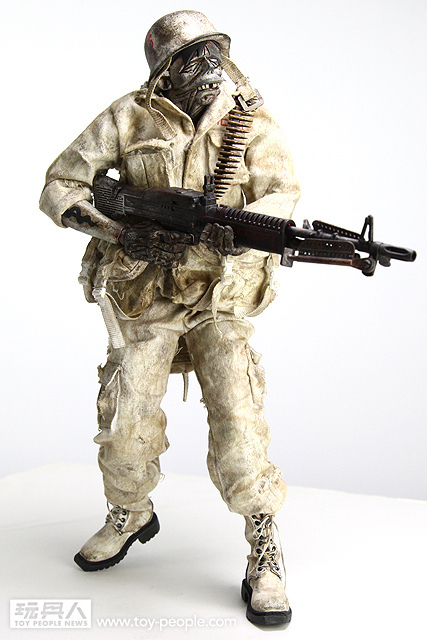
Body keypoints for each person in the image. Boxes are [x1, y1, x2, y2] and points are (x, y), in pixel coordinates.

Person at [39, 10, 300, 626]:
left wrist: (245, 231)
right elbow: (60, 186)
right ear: (165, 70)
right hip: (144, 291)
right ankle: (129, 510)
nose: (208, 67)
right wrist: (119, 231)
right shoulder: (128, 116)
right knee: (127, 412)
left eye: (214, 52)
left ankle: (264, 541)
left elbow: (283, 191)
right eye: (192, 57)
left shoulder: (248, 117)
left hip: (218, 293)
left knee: (238, 416)